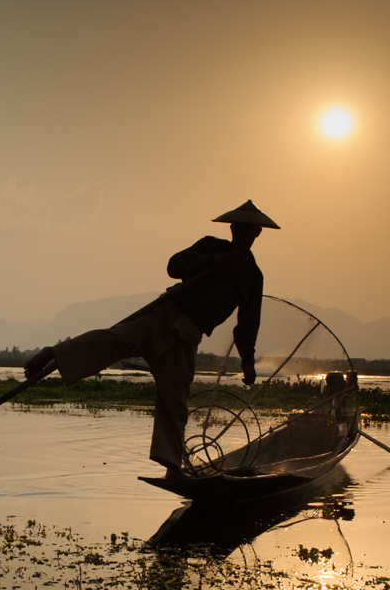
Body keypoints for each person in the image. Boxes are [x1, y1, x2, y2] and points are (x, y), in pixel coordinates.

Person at [24, 200, 280, 478]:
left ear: (257, 234)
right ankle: (54, 353)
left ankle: (172, 467)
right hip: (163, 314)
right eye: (239, 229)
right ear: (232, 228)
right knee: (113, 340)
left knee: (175, 400)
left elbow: (247, 325)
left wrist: (247, 361)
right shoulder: (210, 246)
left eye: (248, 231)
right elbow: (174, 266)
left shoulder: (253, 277)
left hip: (185, 336)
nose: (242, 235)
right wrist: (216, 260)